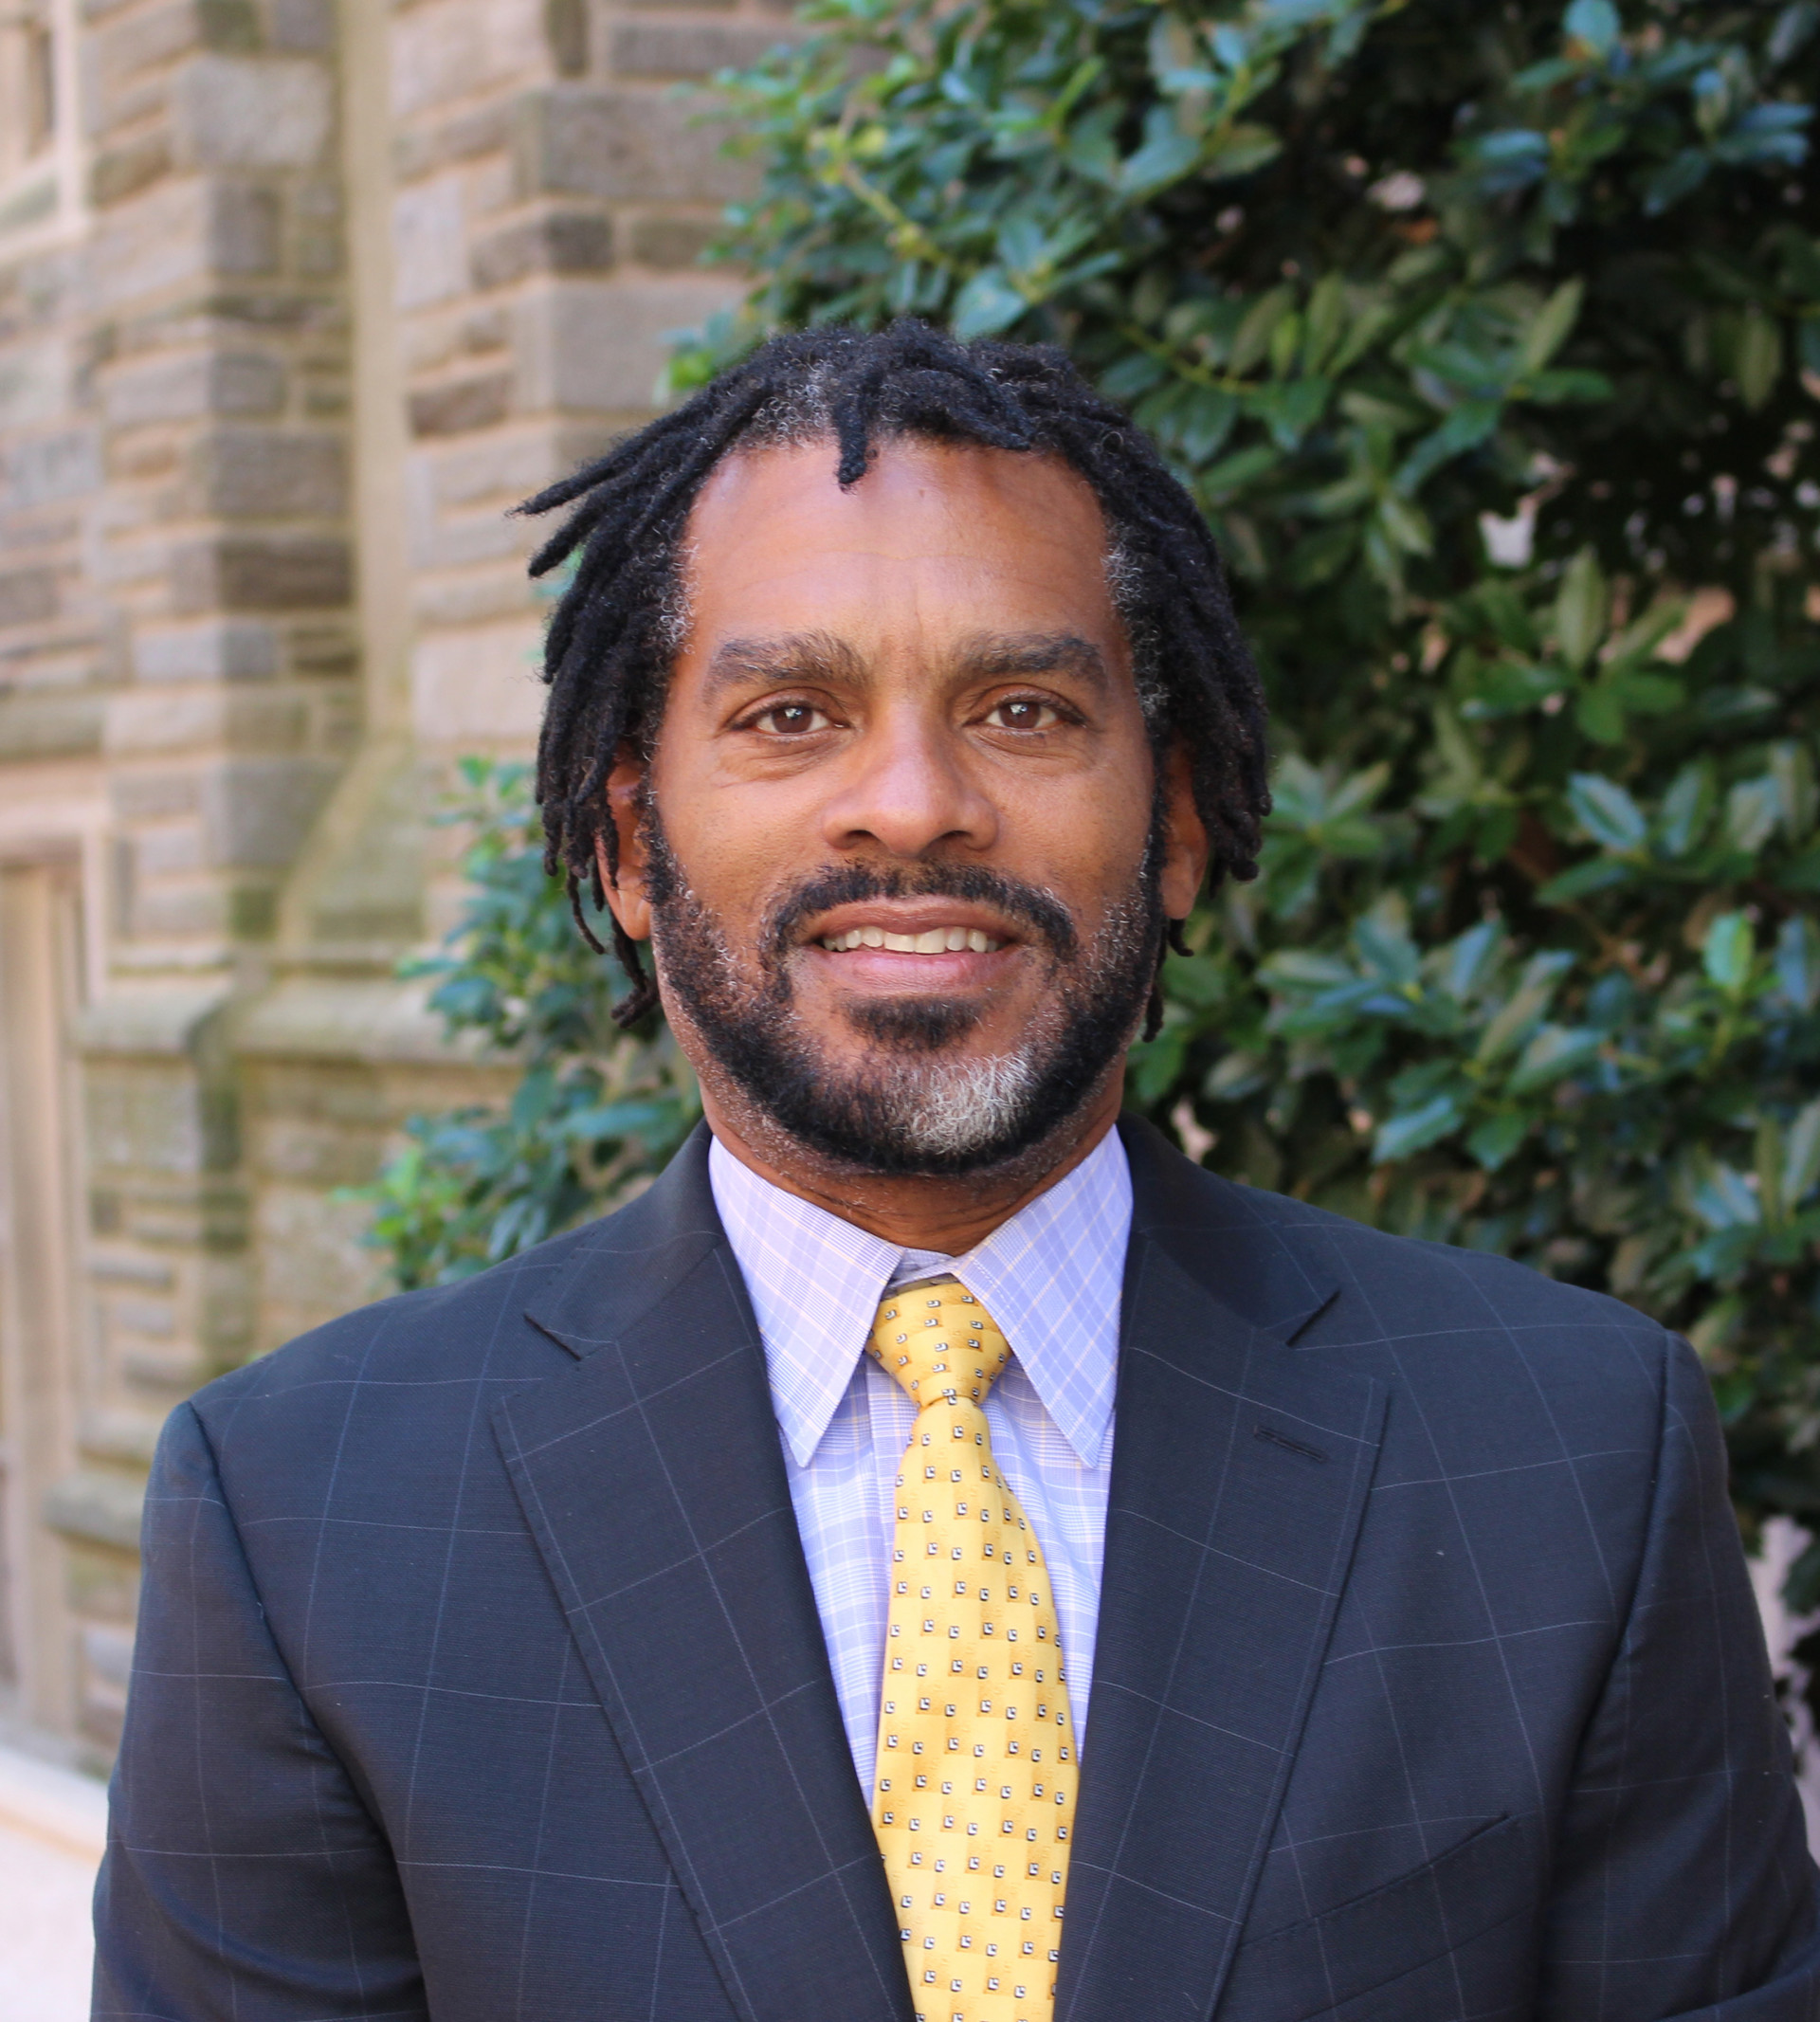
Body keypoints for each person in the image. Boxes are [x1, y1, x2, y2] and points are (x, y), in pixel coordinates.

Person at [94, 324, 1818, 2022]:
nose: (912, 804)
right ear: (628, 847)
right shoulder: (307, 1521)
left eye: (1021, 705)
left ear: (1182, 826)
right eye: (790, 712)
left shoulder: (1571, 1458)